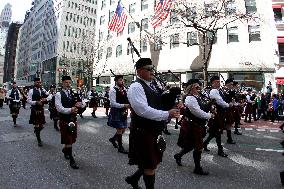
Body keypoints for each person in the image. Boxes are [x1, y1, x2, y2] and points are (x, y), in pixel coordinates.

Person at [126, 58, 180, 189]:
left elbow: (160, 103)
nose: (152, 71)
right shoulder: (136, 87)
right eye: (148, 69)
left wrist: (172, 99)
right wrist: (167, 114)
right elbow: (143, 111)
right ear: (139, 71)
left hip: (154, 130)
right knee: (150, 165)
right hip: (143, 131)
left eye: (153, 69)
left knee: (151, 162)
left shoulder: (154, 85)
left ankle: (133, 179)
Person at [174, 79, 212, 175]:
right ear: (190, 88)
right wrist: (210, 115)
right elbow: (198, 112)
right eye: (197, 87)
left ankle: (178, 155)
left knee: (191, 145)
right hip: (192, 125)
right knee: (198, 147)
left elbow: (203, 108)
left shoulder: (197, 97)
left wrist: (210, 105)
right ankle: (197, 168)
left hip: (196, 124)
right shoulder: (190, 98)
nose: (199, 88)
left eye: (199, 86)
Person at [55, 76, 86, 169]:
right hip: (64, 120)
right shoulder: (58, 94)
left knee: (71, 139)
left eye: (69, 82)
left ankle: (65, 150)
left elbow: (82, 102)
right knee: (69, 140)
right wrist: (70, 110)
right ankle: (72, 160)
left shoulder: (74, 93)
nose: (68, 84)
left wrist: (81, 105)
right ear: (62, 83)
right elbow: (59, 108)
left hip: (73, 120)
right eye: (66, 82)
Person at [203, 76, 230, 157]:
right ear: (212, 83)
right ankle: (220, 150)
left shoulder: (218, 91)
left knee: (213, 133)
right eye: (216, 82)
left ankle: (204, 144)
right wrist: (228, 105)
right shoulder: (214, 91)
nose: (218, 83)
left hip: (219, 114)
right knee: (217, 132)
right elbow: (220, 102)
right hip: (216, 114)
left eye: (219, 81)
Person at [108, 75, 130, 154]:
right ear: (116, 81)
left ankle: (113, 139)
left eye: (123, 80)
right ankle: (120, 147)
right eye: (120, 80)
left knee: (123, 129)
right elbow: (113, 103)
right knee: (120, 129)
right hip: (116, 111)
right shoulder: (113, 90)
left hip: (123, 111)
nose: (122, 81)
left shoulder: (124, 89)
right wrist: (124, 105)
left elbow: (127, 99)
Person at [27, 78, 49, 147]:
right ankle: (39, 140)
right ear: (34, 83)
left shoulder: (43, 90)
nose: (39, 84)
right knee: (37, 125)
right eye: (37, 82)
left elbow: (49, 96)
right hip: (34, 110)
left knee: (41, 126)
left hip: (41, 110)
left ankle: (36, 131)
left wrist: (46, 99)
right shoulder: (31, 91)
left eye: (39, 82)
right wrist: (36, 102)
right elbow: (29, 100)